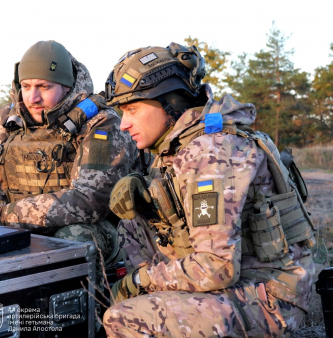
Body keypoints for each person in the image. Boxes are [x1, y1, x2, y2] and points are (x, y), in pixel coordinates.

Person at [103, 43, 315, 337]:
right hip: (245, 284)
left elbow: (216, 268)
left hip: (271, 297)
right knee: (132, 219)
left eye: (132, 109)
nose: (124, 123)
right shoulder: (180, 148)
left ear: (171, 102)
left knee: (121, 319)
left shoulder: (212, 152)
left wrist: (141, 281)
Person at [0, 40, 138, 267]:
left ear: (66, 87)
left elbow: (88, 202)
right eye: (26, 86)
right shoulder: (3, 122)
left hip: (93, 229)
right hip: (17, 227)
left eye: (44, 87)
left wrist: (0, 217)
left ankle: (96, 300)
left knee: (72, 238)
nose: (32, 98)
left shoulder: (100, 123)